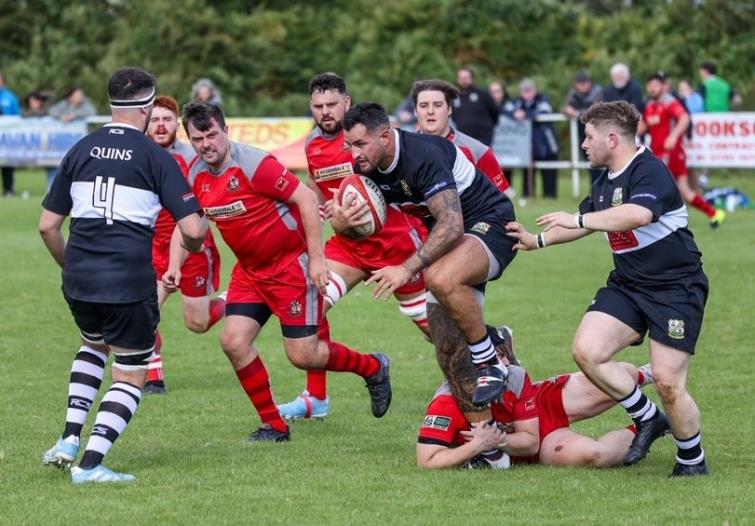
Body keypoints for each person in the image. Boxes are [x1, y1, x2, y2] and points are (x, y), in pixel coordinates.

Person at [507, 101, 711, 477]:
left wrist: (579, 217)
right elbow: (584, 224)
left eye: (588, 137)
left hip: (674, 289)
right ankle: (647, 417)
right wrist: (538, 240)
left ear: (612, 138)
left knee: (668, 382)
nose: (584, 144)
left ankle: (692, 459)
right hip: (629, 284)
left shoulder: (650, 172)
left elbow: (637, 214)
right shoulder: (606, 179)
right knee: (587, 351)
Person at [177, 101, 392, 441]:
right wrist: (175, 265)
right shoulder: (194, 173)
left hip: (290, 268)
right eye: (197, 138)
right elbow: (188, 221)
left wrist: (318, 259)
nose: (206, 144)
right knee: (233, 341)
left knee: (304, 356)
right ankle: (274, 425)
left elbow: (306, 199)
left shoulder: (254, 165)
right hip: (250, 273)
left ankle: (374, 367)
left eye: (212, 135)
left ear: (226, 131)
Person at [39, 67, 208, 484]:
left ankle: (68, 440)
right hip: (128, 280)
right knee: (131, 371)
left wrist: (70, 266)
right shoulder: (156, 157)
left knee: (93, 346)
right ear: (148, 109)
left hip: (79, 277)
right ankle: (91, 466)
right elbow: (192, 230)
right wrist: (196, 245)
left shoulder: (80, 148)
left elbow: (47, 225)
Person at [343, 102, 517, 412]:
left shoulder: (422, 154)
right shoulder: (366, 168)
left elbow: (452, 224)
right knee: (447, 347)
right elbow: (358, 232)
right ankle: (487, 444)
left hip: (493, 224)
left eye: (359, 144)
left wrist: (405, 268)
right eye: (349, 145)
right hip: (454, 241)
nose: (353, 153)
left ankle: (489, 359)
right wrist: (343, 221)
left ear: (384, 136)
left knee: (440, 278)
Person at [277, 73, 428, 420]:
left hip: (395, 247)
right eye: (318, 107)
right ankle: (316, 398)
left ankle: (493, 354)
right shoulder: (312, 145)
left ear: (347, 102)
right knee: (310, 304)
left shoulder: (365, 139)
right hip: (348, 248)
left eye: (332, 104)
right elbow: (319, 185)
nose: (326, 112)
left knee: (438, 331)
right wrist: (321, 205)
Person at [417, 341, 655, 470]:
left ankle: (647, 376)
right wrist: (477, 446)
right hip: (543, 439)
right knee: (596, 455)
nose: (505, 364)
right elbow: (426, 460)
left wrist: (496, 440)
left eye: (502, 357)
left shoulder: (514, 376)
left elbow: (528, 440)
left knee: (625, 374)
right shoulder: (447, 402)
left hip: (538, 407)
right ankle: (650, 427)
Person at [144, 95, 226, 394]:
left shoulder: (194, 158)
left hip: (192, 247)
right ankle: (153, 377)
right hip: (149, 248)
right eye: (154, 119)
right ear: (145, 123)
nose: (161, 125)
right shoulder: (139, 155)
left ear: (176, 125)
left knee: (197, 323)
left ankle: (236, 301)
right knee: (143, 311)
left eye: (167, 119)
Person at [640, 72, 725, 228]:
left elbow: (684, 118)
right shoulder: (650, 106)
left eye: (655, 85)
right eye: (650, 86)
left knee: (660, 186)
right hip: (658, 153)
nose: (652, 89)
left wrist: (673, 136)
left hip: (672, 153)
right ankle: (713, 213)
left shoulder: (669, 102)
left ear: (663, 87)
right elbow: (643, 127)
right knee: (684, 190)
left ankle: (661, 221)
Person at [411, 78, 513, 199]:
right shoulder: (401, 150)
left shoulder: (478, 152)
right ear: (415, 110)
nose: (430, 111)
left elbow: (504, 204)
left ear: (449, 109)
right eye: (423, 106)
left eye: (438, 105)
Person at [503, 79, 559, 198]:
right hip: (526, 145)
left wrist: (525, 115)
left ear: (535, 90)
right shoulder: (516, 102)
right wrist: (514, 114)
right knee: (527, 174)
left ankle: (550, 198)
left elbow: (545, 111)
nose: (527, 94)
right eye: (525, 91)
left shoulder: (543, 100)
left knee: (549, 174)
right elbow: (504, 111)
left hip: (546, 145)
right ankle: (528, 195)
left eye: (530, 91)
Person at [563, 71, 603, 184]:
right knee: (589, 160)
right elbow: (565, 108)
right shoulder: (574, 93)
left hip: (597, 131)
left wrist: (575, 113)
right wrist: (567, 110)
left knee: (597, 159)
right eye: (580, 83)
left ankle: (597, 186)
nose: (582, 85)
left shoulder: (597, 91)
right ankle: (595, 186)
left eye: (585, 82)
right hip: (582, 132)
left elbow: (595, 109)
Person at [452, 66, 500, 146]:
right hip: (462, 138)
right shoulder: (453, 97)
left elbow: (494, 112)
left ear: (472, 79)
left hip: (483, 138)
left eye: (466, 78)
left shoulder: (483, 94)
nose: (464, 81)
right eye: (461, 78)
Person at [0, 71, 21, 196]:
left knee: (7, 163)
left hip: (6, 138)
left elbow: (17, 117)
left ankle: (8, 190)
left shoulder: (10, 97)